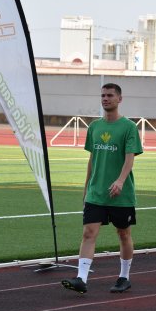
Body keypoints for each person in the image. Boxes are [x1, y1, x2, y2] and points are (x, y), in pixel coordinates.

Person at [62, 83, 143, 294]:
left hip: (120, 194)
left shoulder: (128, 127)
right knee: (89, 233)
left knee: (123, 234)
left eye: (110, 95)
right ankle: (81, 278)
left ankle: (124, 277)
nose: (105, 99)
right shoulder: (95, 127)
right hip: (96, 192)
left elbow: (129, 158)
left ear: (119, 99)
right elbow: (92, 159)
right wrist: (86, 186)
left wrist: (120, 181)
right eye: (103, 95)